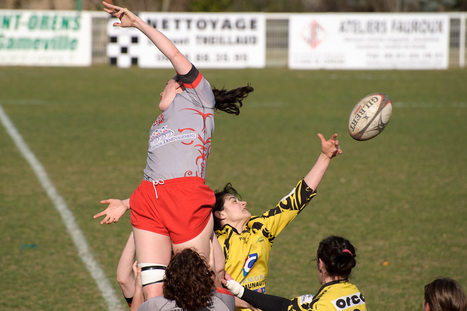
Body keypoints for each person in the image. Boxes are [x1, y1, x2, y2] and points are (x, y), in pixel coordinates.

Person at [100, 1, 253, 301]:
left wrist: (139, 25)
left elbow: (173, 53)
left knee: (196, 289)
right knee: (153, 293)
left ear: (181, 86)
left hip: (186, 198)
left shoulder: (199, 96)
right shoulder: (159, 122)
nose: (161, 90)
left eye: (166, 85)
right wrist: (127, 202)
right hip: (148, 198)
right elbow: (159, 169)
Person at [212, 133, 342, 310]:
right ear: (220, 215)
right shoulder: (215, 243)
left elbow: (297, 199)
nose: (243, 203)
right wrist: (247, 302)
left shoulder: (260, 229)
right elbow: (209, 291)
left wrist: (325, 156)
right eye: (234, 201)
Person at [223, 235, 367, 311]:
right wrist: (238, 289)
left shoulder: (321, 306)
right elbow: (284, 306)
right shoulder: (355, 294)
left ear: (321, 264)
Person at [129, 244, 235, 311]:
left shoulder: (156, 305)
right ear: (205, 279)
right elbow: (217, 286)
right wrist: (211, 269)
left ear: (169, 281)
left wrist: (138, 287)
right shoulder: (223, 303)